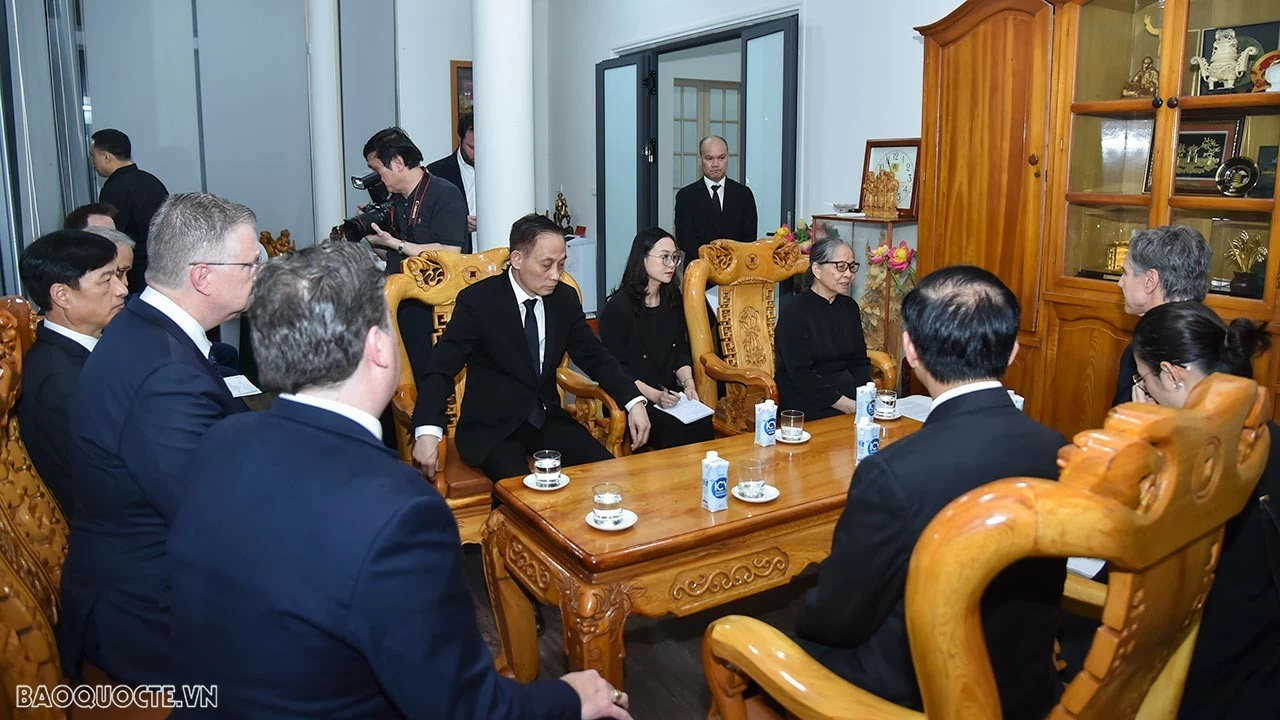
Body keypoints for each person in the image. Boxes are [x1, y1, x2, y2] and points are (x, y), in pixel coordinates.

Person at [168, 242, 631, 720]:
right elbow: (462, 707)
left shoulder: (218, 443)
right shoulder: (402, 513)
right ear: (378, 346)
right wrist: (571, 698)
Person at [794, 265, 1066, 718]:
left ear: (910, 351)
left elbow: (835, 618)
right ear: (1014, 350)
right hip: (1025, 680)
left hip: (917, 692)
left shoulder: (894, 473)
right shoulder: (1058, 450)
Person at [59, 192, 258, 686]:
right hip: (153, 612)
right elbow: (212, 519)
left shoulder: (141, 328)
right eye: (251, 262)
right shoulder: (166, 373)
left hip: (150, 574)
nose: (260, 271)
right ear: (203, 276)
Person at [1120, 301, 1278, 719]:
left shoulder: (1187, 463)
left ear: (1172, 373)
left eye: (1145, 378)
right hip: (1264, 647)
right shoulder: (1264, 430)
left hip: (1204, 657)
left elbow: (1137, 540)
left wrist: (1150, 439)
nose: (1143, 388)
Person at [412, 213, 650, 483]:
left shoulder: (563, 298)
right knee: (524, 495)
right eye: (546, 265)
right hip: (494, 429)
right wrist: (428, 431)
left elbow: (595, 357)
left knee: (607, 475)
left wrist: (634, 401)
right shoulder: (478, 302)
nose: (555, 275)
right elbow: (441, 368)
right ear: (517, 259)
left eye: (561, 264)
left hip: (546, 419)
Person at [15, 230, 127, 515]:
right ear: (62, 295)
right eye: (106, 280)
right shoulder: (61, 380)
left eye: (119, 276)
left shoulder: (82, 351)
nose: (121, 289)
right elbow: (108, 484)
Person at [361, 126, 469, 383]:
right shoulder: (396, 200)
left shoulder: (445, 194)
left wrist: (396, 244)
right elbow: (392, 256)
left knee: (427, 380)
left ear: (397, 162)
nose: (378, 178)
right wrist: (376, 239)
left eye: (378, 169)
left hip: (432, 311)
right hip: (398, 304)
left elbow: (450, 253)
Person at [599, 228, 714, 450]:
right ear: (642, 259)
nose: (671, 264)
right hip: (632, 395)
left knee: (701, 422)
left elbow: (680, 349)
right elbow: (617, 369)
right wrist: (655, 395)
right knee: (675, 429)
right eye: (664, 257)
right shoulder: (619, 308)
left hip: (669, 395)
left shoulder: (672, 299)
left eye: (674, 257)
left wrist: (689, 384)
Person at [774, 238, 871, 420]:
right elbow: (800, 373)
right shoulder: (794, 312)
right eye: (840, 266)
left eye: (852, 267)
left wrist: (868, 397)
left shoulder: (849, 307)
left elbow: (859, 361)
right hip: (807, 400)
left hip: (848, 396)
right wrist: (844, 403)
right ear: (817, 270)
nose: (848, 274)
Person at [1113, 225, 1210, 406]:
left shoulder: (1148, 349)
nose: (1120, 283)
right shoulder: (1220, 334)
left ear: (1150, 280)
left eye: (1125, 273)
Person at [90, 128, 170, 289]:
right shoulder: (152, 181)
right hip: (163, 266)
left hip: (134, 273)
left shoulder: (115, 189)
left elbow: (111, 236)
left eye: (93, 156)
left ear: (106, 157)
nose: (93, 163)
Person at [674, 135, 758, 265]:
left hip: (736, 270)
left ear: (727, 158)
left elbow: (749, 239)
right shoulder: (686, 196)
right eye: (709, 158)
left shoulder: (743, 194)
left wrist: (729, 262)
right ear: (700, 159)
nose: (715, 164)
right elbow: (685, 239)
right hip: (701, 271)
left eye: (721, 158)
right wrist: (712, 261)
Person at [427, 112, 476, 250]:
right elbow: (426, 220)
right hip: (458, 259)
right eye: (471, 147)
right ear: (459, 139)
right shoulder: (437, 173)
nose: (478, 153)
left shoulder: (505, 172)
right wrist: (457, 224)